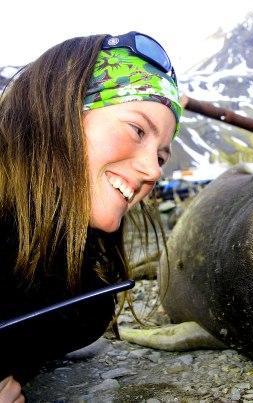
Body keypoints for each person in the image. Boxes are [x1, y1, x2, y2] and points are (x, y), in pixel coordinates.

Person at [0, 30, 182, 400]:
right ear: (59, 112)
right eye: (136, 129)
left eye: (162, 156)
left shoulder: (89, 293)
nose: (153, 171)